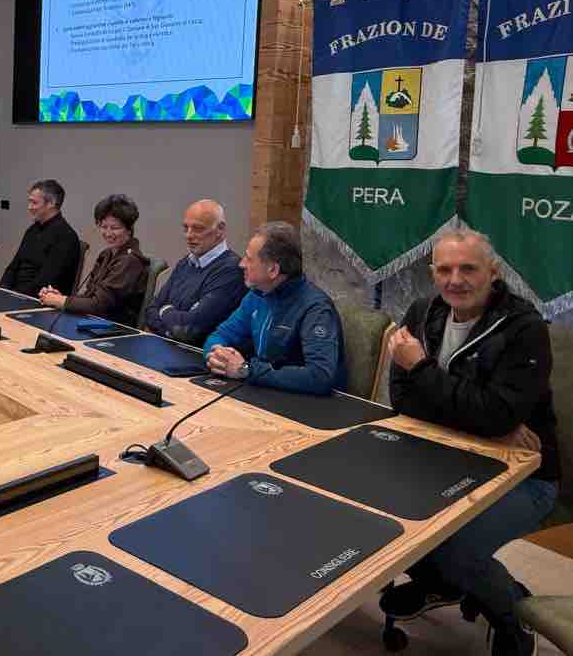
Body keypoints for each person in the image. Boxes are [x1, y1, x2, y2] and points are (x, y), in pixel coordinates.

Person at [379, 230, 559, 656]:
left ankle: (513, 613)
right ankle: (444, 583)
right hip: (446, 456)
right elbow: (404, 401)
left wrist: (423, 368)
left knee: (456, 549)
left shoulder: (525, 327)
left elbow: (497, 414)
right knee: (393, 521)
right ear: (432, 273)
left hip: (525, 474)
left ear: (493, 273)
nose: (454, 279)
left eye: (468, 268)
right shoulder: (422, 312)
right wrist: (482, 418)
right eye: (444, 269)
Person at [203, 221, 346, 395]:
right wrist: (217, 356)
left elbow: (320, 376)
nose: (241, 264)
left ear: (272, 270)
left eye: (249, 258)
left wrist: (246, 370)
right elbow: (220, 335)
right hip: (264, 392)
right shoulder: (257, 294)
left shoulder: (316, 309)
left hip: (304, 408)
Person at [143, 199, 247, 344]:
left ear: (220, 229)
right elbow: (151, 310)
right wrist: (172, 327)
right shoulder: (185, 263)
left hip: (199, 358)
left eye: (198, 228)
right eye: (186, 228)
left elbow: (189, 329)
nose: (189, 235)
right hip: (167, 347)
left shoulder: (232, 270)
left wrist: (165, 311)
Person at [38, 194, 149, 326]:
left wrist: (60, 300)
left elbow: (98, 306)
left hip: (114, 330)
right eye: (103, 226)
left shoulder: (130, 260)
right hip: (93, 323)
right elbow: (90, 296)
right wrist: (59, 297)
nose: (108, 233)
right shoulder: (106, 254)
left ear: (129, 229)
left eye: (115, 228)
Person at [0, 179, 81, 297]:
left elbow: (46, 281)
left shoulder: (66, 236)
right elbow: (13, 267)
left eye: (34, 203)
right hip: (17, 296)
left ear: (51, 203)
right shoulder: (32, 230)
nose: (29, 207)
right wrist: (2, 290)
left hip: (40, 302)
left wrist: (14, 296)